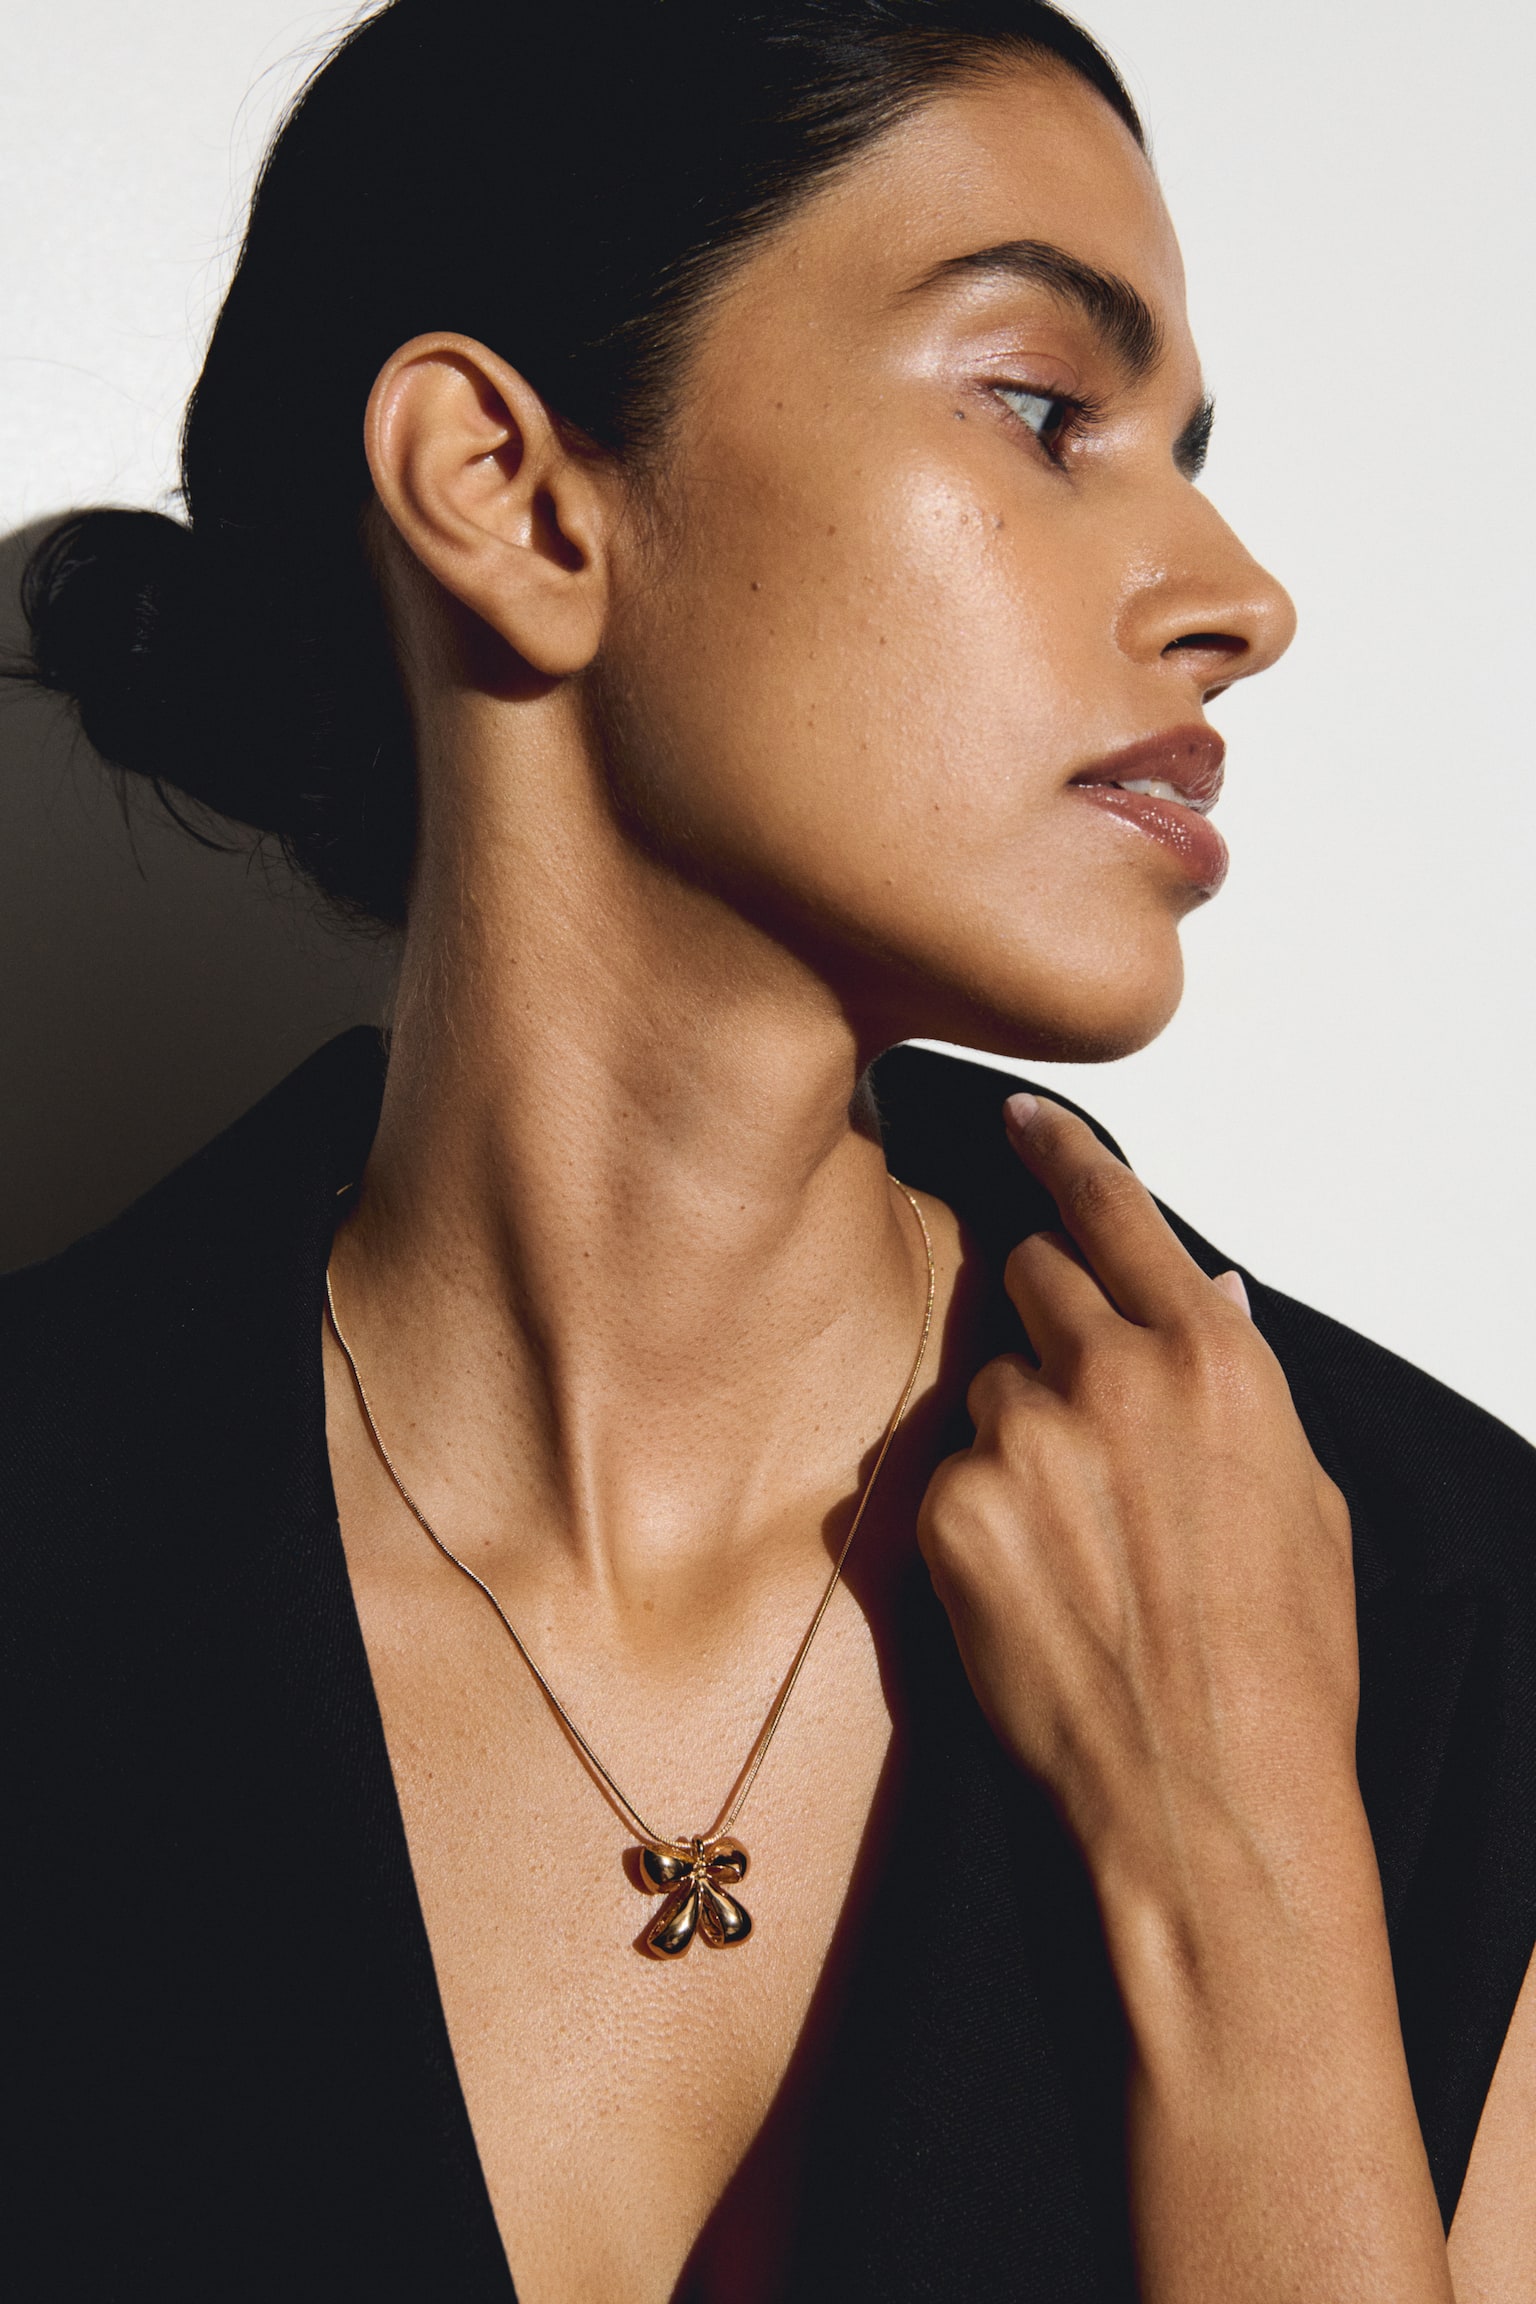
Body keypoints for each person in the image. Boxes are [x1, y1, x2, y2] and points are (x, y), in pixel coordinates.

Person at [4, 3, 1533, 2298]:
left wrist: (1258, 1911)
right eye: (1046, 411)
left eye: (1187, 452)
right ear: (513, 491)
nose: (1242, 598)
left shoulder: (1444, 1620)